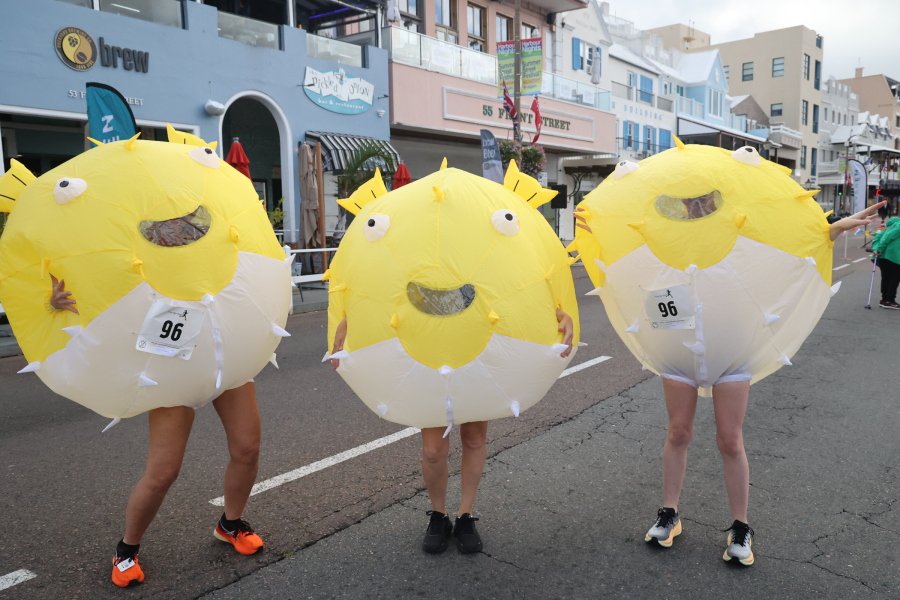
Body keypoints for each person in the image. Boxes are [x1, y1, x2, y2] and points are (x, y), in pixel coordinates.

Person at [49, 278, 266, 588]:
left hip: (227, 356)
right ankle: (126, 549)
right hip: (171, 361)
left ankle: (230, 524)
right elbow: (103, 279)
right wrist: (53, 303)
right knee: (163, 471)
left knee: (247, 449)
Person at [330, 309, 574, 554]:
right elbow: (385, 290)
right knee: (433, 450)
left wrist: (555, 313)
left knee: (474, 439)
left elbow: (511, 289)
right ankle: (439, 515)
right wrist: (351, 320)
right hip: (427, 347)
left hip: (475, 343)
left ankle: (465, 516)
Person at [872, 214, 900, 309]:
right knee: (894, 279)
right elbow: (888, 237)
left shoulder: (887, 229)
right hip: (894, 257)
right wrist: (879, 249)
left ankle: (884, 299)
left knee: (886, 278)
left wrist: (876, 249)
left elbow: (877, 239)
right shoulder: (898, 225)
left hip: (883, 257)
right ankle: (890, 300)